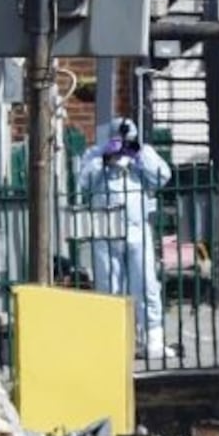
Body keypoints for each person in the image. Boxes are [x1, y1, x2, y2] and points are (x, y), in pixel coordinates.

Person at [79, 118, 175, 359]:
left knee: (146, 284)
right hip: (106, 229)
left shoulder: (143, 153)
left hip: (137, 228)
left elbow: (163, 177)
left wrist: (139, 155)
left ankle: (153, 337)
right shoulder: (94, 155)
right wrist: (105, 160)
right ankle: (114, 339)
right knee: (109, 286)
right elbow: (82, 184)